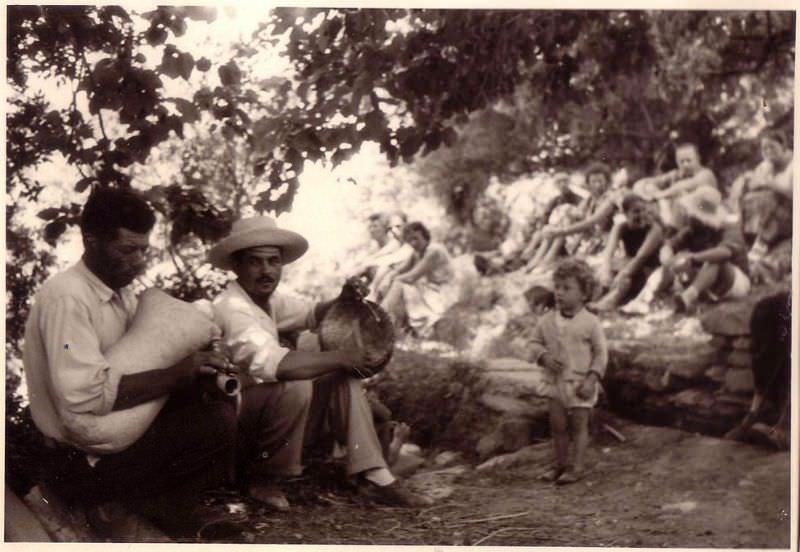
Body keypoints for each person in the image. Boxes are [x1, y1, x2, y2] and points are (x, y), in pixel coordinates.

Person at [22, 187, 242, 539]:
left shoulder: (122, 291)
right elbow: (85, 398)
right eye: (127, 250)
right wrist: (176, 374)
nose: (139, 261)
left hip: (110, 441)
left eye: (143, 249)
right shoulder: (68, 297)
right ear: (90, 241)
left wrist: (198, 365)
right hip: (77, 460)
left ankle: (152, 509)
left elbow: (140, 365)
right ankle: (112, 510)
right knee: (213, 423)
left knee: (211, 394)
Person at [209, 216, 430, 510]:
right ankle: (261, 479)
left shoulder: (269, 300)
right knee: (297, 384)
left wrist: (343, 298)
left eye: (273, 262)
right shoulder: (232, 307)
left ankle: (375, 476)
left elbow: (313, 313)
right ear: (237, 266)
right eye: (255, 262)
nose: (267, 271)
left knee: (339, 377)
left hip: (269, 422)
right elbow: (277, 365)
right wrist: (341, 357)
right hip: (236, 433)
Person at [527, 259, 607, 485]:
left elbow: (601, 354)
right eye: (557, 287)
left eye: (567, 288)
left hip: (580, 383)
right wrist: (543, 356)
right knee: (558, 425)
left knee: (579, 426)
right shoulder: (546, 321)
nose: (559, 293)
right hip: (555, 382)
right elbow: (533, 343)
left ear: (583, 294)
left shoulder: (591, 323)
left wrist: (592, 379)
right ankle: (560, 464)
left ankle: (577, 467)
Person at [530, 163, 615, 272]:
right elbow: (574, 215)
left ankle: (544, 261)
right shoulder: (589, 200)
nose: (597, 185)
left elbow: (593, 221)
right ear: (588, 183)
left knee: (564, 219)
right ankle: (538, 261)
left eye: (600, 181)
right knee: (566, 213)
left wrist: (560, 231)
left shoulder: (610, 198)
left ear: (607, 182)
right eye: (593, 181)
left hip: (605, 240)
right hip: (588, 237)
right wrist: (558, 226)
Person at [379, 221, 459, 337]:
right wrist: (388, 278)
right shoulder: (417, 251)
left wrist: (394, 279)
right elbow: (400, 269)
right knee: (398, 284)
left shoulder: (434, 250)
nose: (413, 243)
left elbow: (412, 277)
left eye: (416, 238)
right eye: (410, 240)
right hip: (431, 289)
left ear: (425, 236)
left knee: (400, 284)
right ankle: (391, 322)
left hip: (445, 293)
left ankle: (380, 316)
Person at [590, 193, 664, 311]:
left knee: (624, 279)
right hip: (629, 264)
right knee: (602, 271)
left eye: (644, 210)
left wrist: (622, 273)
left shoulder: (654, 229)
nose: (642, 215)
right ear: (625, 214)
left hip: (648, 270)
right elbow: (609, 253)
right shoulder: (621, 227)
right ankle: (592, 299)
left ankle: (607, 303)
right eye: (636, 211)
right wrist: (606, 271)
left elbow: (641, 257)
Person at [633, 142, 717, 227]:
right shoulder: (675, 174)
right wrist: (645, 190)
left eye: (689, 160)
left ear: (698, 159)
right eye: (681, 161)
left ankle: (669, 230)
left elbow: (687, 185)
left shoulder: (706, 174)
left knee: (681, 197)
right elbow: (646, 182)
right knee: (650, 189)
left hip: (703, 223)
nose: (685, 164)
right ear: (677, 162)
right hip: (679, 222)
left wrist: (659, 195)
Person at [729, 128, 793, 207]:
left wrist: (769, 184)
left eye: (772, 146)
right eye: (764, 148)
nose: (769, 151)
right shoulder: (764, 166)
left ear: (783, 145)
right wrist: (745, 181)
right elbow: (753, 184)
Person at [349, 212, 402, 283]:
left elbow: (389, 265)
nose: (372, 230)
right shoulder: (373, 248)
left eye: (375, 226)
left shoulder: (394, 244)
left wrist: (366, 265)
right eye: (370, 227)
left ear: (385, 228)